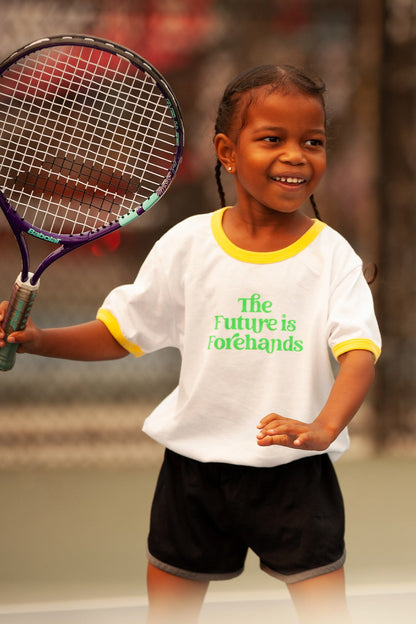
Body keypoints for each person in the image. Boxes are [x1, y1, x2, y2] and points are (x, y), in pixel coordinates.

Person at [0, 65, 381, 624]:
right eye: (273, 138)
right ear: (227, 150)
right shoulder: (186, 245)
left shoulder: (333, 257)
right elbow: (119, 333)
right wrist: (37, 341)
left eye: (313, 141)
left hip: (297, 474)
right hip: (193, 474)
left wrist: (323, 427)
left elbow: (359, 356)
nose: (297, 155)